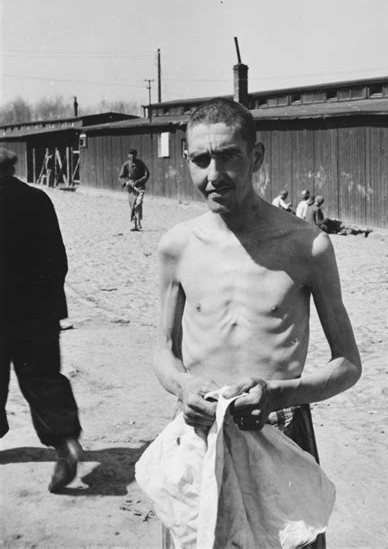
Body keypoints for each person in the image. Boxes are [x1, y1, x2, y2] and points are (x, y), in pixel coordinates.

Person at [153, 98, 362, 548]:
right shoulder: (177, 247)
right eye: (200, 159)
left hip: (280, 429)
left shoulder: (307, 246)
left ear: (257, 156)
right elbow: (164, 352)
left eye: (228, 155)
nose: (213, 174)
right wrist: (183, 388)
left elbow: (348, 364)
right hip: (199, 431)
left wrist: (280, 395)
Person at [0, 147, 82, 493]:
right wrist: (46, 304)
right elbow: (57, 260)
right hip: (37, 312)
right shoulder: (37, 199)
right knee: (44, 379)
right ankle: (65, 443)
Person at [119, 148, 150, 231]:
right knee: (132, 205)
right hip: (131, 189)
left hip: (140, 187)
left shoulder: (140, 163)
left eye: (133, 154)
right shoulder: (126, 165)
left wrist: (139, 181)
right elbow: (121, 176)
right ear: (128, 155)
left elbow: (146, 174)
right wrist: (126, 182)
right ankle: (135, 224)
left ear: (136, 155)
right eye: (130, 154)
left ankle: (138, 221)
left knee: (138, 204)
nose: (132, 156)